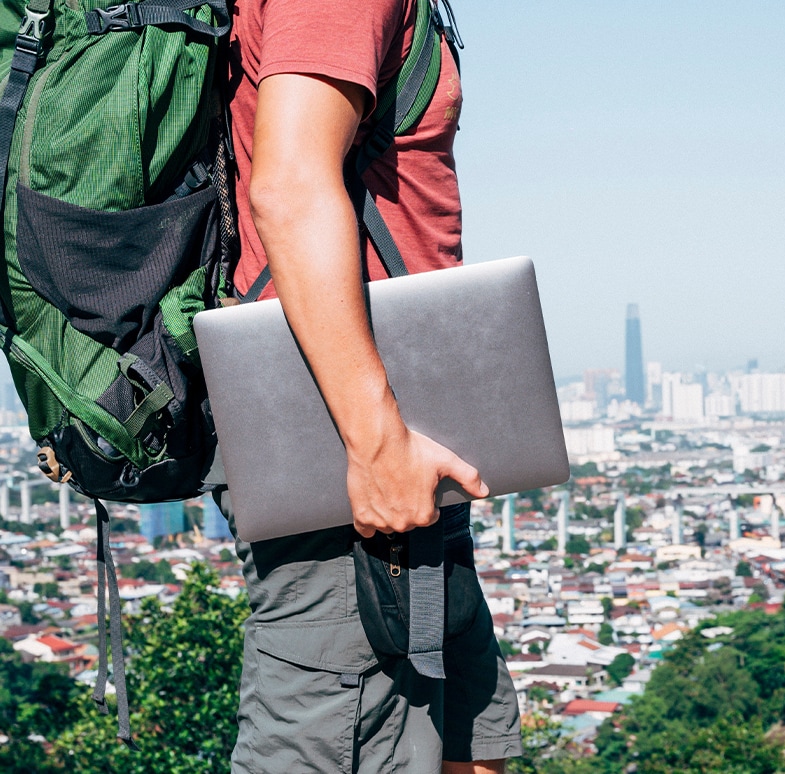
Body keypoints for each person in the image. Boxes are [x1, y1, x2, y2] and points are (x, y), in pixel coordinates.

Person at [218, 0, 523, 770]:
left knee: (472, 742)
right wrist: (375, 440)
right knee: (339, 738)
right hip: (342, 438)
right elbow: (288, 188)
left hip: (399, 430)